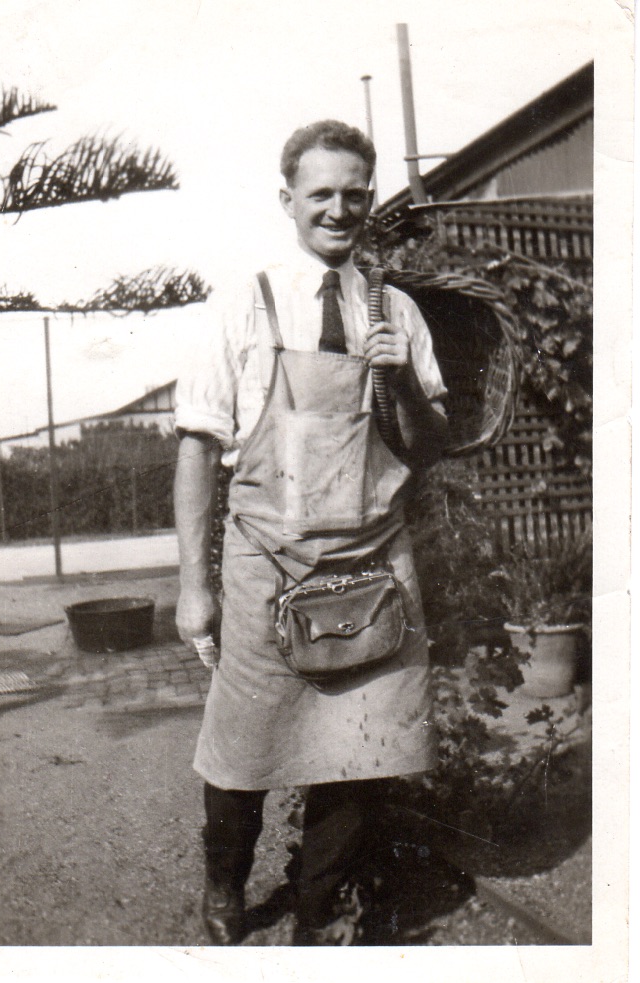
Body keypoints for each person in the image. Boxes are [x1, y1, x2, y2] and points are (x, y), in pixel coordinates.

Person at [173, 119, 448, 945]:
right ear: (287, 199)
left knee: (361, 755)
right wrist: (194, 587)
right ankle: (226, 882)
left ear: (370, 198)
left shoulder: (396, 310)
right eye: (321, 193)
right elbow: (196, 447)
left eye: (354, 193)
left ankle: (319, 908)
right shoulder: (245, 304)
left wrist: (398, 379)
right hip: (268, 566)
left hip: (374, 564)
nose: (339, 209)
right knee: (242, 753)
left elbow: (430, 444)